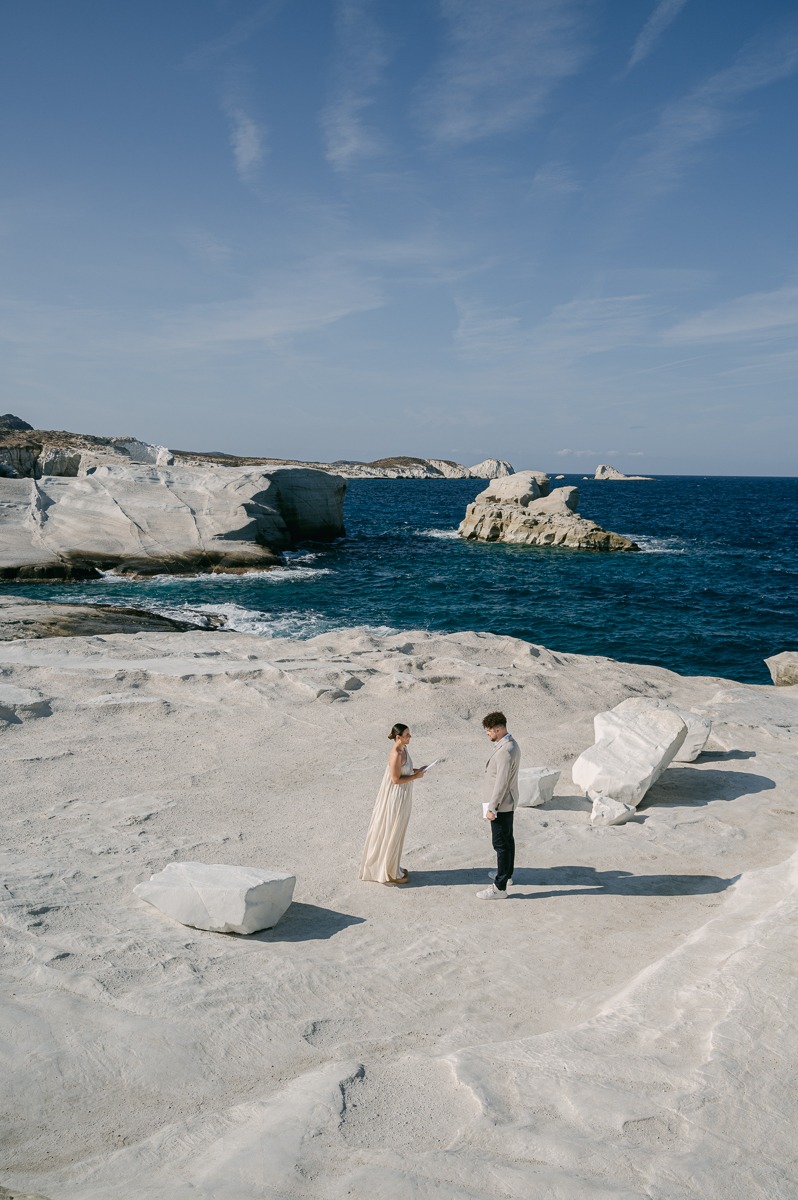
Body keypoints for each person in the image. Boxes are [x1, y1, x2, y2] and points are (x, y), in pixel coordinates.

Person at [359, 723, 427, 885]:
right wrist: (415, 777)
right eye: (407, 735)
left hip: (404, 794)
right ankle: (388, 871)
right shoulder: (396, 754)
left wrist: (417, 771)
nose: (410, 737)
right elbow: (396, 779)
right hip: (396, 797)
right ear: (398, 737)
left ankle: (392, 865)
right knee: (393, 830)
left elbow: (405, 771)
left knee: (398, 830)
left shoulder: (404, 749)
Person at [476, 711, 520, 899]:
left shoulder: (505, 751)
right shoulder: (509, 744)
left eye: (489, 731)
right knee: (508, 841)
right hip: (506, 802)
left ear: (498, 729)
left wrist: (492, 807)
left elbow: (501, 783)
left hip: (501, 804)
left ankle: (499, 887)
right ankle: (506, 875)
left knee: (500, 844)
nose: (488, 734)